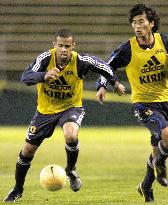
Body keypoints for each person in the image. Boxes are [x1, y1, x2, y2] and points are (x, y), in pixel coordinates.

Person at [3, 28, 125, 202]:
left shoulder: (80, 60)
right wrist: (44, 75)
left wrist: (113, 83)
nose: (64, 50)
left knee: (70, 133)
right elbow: (25, 77)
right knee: (28, 150)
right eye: (60, 45)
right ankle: (17, 189)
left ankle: (70, 169)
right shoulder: (45, 59)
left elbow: (103, 66)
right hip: (45, 111)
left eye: (67, 46)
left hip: (71, 107)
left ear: (73, 46)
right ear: (55, 45)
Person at [96, 4, 168, 203]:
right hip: (143, 104)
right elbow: (107, 66)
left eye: (141, 22)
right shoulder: (127, 48)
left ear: (151, 23)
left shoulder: (165, 41)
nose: (137, 26)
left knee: (157, 149)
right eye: (134, 23)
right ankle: (161, 166)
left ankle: (146, 187)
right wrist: (102, 85)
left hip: (165, 103)